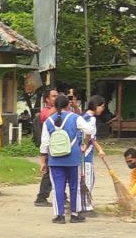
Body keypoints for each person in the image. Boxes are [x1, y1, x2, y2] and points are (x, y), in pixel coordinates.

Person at [40, 94, 95, 224]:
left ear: (55, 106)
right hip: (73, 159)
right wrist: (85, 144)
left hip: (55, 160)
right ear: (68, 105)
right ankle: (75, 214)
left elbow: (44, 144)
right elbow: (89, 129)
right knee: (74, 187)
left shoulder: (48, 121)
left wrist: (43, 161)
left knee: (57, 187)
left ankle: (59, 216)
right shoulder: (75, 118)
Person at [79, 95, 108, 215]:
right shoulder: (91, 119)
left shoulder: (83, 117)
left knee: (85, 178)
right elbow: (90, 136)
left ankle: (82, 204)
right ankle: (86, 206)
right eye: (102, 106)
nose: (102, 109)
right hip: (86, 155)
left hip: (81, 153)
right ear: (97, 106)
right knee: (88, 180)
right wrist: (98, 149)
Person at [34, 88, 59, 206]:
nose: (56, 98)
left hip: (59, 146)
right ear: (47, 100)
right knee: (49, 173)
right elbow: (46, 117)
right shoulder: (45, 111)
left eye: (57, 96)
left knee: (56, 173)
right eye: (54, 96)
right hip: (50, 146)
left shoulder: (60, 110)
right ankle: (41, 197)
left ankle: (60, 196)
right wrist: (59, 105)